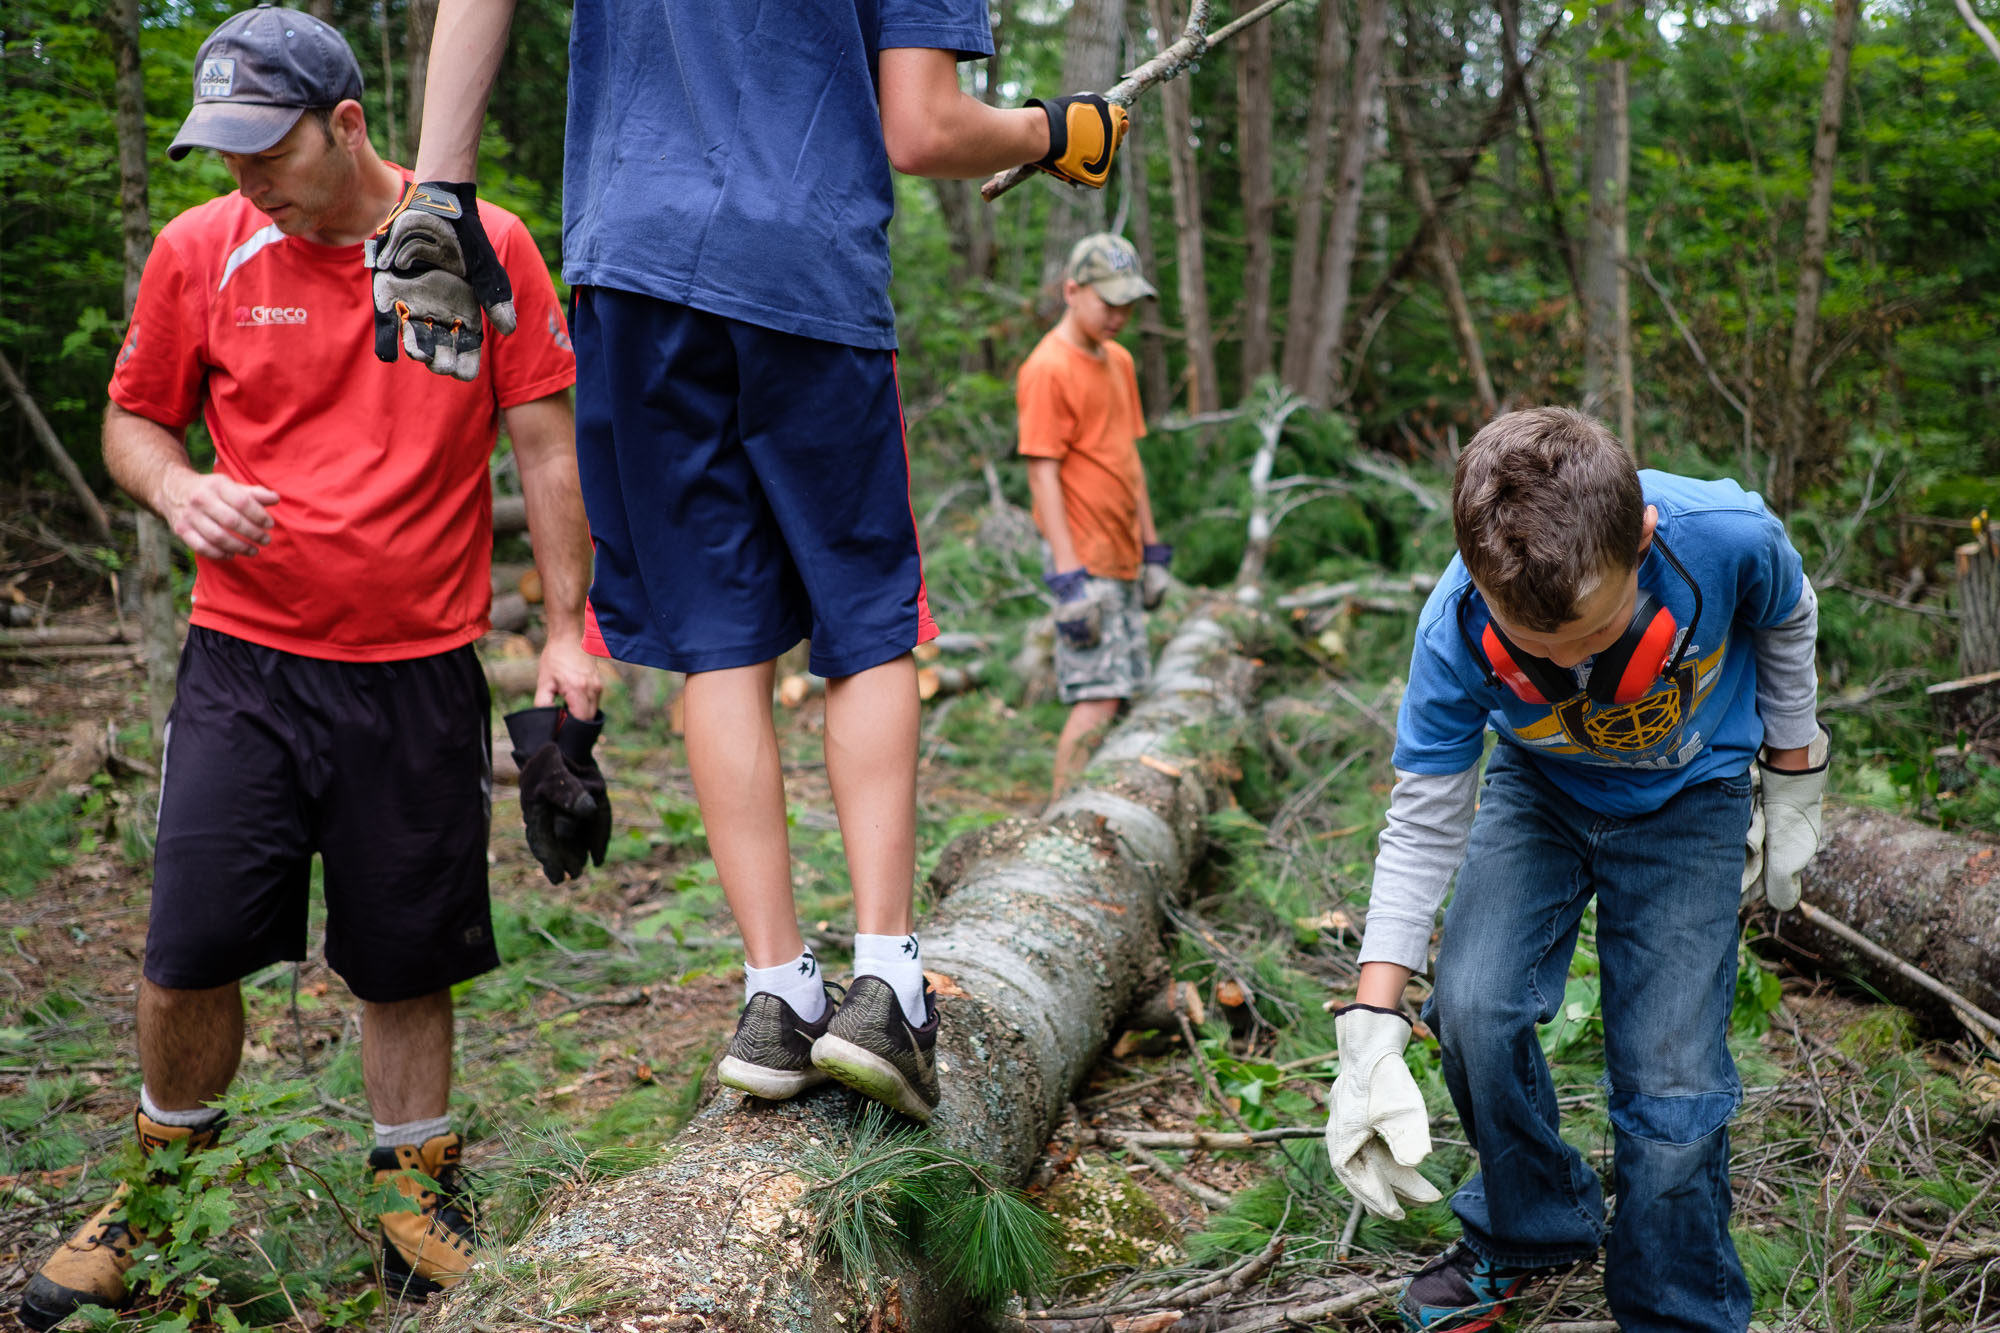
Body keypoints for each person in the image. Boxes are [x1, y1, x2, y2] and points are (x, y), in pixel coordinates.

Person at [369, 0, 1130, 1124]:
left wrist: (439, 187)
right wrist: (1049, 134)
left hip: (630, 274)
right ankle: (885, 984)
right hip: (801, 264)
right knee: (866, 620)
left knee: (717, 645)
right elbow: (918, 130)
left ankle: (775, 992)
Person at [21, 7, 597, 1324]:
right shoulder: (203, 249)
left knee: (407, 956)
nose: (243, 177)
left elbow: (548, 447)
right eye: (220, 153)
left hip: (417, 667)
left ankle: (417, 1196)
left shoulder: (474, 247)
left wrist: (570, 627)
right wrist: (175, 492)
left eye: (264, 148)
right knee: (190, 945)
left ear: (349, 124)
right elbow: (132, 421)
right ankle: (161, 1189)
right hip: (246, 661)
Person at [1323, 408, 1826, 1333]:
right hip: (1540, 790)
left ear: (1640, 539)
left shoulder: (1725, 538)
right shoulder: (1456, 624)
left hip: (1694, 791)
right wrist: (1371, 1019)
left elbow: (1789, 618)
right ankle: (1530, 1225)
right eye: (1540, 647)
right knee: (1472, 1006)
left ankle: (1678, 1305)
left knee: (1671, 1079)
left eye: (1593, 634)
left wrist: (1794, 780)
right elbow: (1425, 811)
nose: (1572, 664)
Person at [1015, 233, 1167, 801]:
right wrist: (1067, 577)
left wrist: (1152, 551)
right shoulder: (1047, 369)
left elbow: (1129, 460)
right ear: (1071, 291)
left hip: (1122, 552)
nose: (1120, 317)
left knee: (1124, 692)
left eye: (1128, 304)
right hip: (1083, 560)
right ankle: (1062, 825)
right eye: (1109, 303)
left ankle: (1098, 810)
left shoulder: (1120, 362)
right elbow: (1042, 475)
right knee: (1096, 697)